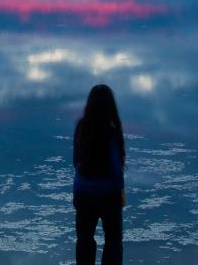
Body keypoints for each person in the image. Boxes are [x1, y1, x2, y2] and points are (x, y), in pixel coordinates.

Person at [73, 84, 126, 265]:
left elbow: (76, 161)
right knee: (113, 239)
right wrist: (121, 192)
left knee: (84, 239)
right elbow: (116, 166)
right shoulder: (111, 131)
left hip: (83, 191)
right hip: (108, 193)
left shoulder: (81, 127)